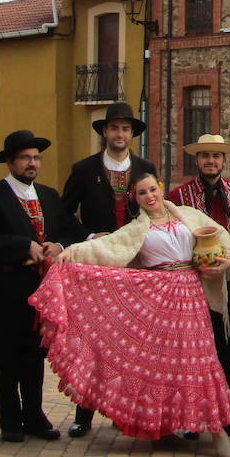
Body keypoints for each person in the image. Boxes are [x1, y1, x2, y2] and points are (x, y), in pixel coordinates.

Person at [33, 172, 230, 457]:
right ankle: (162, 428)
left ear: (161, 188)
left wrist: (226, 260)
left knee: (201, 359)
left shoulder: (188, 215)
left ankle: (217, 432)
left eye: (152, 189)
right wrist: (71, 252)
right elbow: (106, 247)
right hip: (158, 297)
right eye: (142, 193)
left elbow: (221, 234)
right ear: (136, 198)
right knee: (162, 364)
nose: (150, 196)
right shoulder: (135, 229)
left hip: (192, 295)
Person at [0, 130, 81, 443]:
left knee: (34, 355)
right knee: (8, 357)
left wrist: (58, 245)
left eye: (36, 158)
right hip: (6, 289)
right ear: (10, 162)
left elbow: (71, 230)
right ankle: (9, 419)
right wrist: (22, 247)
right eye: (25, 158)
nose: (32, 163)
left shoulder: (49, 196)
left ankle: (34, 414)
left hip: (42, 290)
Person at [60, 100, 157, 437]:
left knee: (133, 342)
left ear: (132, 133)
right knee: (92, 340)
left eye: (125, 128)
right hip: (97, 267)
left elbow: (156, 213)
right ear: (104, 132)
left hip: (135, 266)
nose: (119, 134)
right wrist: (89, 237)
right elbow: (62, 215)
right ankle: (83, 413)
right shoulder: (85, 169)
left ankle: (124, 410)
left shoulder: (146, 169)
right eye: (114, 128)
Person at [167, 133, 230, 440]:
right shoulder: (178, 195)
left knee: (225, 350)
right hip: (190, 286)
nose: (210, 161)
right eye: (205, 155)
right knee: (190, 352)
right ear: (197, 160)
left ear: (224, 161)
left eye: (216, 156)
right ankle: (190, 417)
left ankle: (226, 416)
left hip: (225, 284)